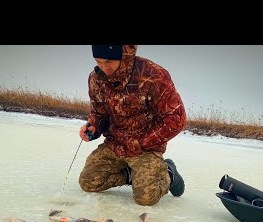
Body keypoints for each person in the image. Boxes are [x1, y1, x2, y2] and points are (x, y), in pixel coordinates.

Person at [78, 45, 186, 206]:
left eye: (109, 61)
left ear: (123, 55)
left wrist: (142, 143)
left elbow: (176, 119)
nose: (104, 68)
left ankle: (169, 172)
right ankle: (131, 174)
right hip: (115, 145)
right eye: (98, 62)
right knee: (88, 182)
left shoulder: (153, 75)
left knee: (146, 198)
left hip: (144, 148)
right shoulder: (96, 78)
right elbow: (99, 113)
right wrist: (94, 126)